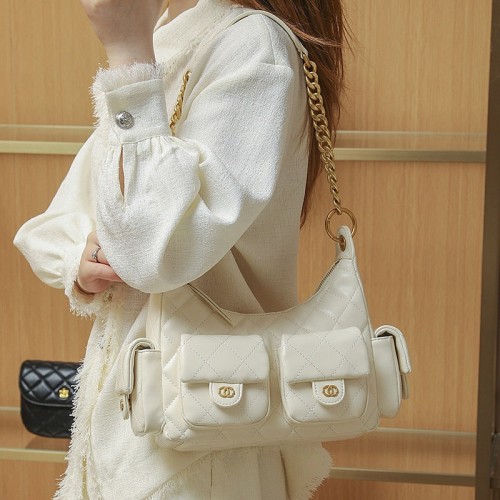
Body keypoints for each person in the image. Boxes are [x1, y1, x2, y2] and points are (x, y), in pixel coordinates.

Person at [14, 0, 348, 498]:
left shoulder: (252, 45)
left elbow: (155, 249)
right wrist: (81, 259)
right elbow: (68, 218)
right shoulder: (173, 37)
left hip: (204, 430)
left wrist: (128, 51)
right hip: (132, 416)